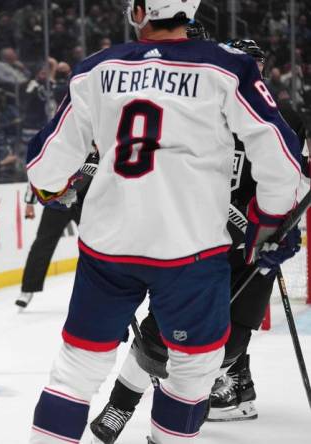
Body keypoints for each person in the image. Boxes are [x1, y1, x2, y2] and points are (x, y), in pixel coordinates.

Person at [24, 1, 304, 443]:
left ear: (138, 10)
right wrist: (269, 221)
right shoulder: (227, 67)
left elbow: (44, 168)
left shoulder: (95, 68)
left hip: (108, 250)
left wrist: (52, 189)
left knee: (77, 369)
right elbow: (280, 159)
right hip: (192, 251)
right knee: (193, 371)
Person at [16, 153, 97, 309]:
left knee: (97, 245)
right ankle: (27, 289)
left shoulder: (91, 137)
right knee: (42, 244)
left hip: (85, 202)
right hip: (57, 202)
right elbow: (37, 170)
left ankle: (101, 291)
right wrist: (30, 202)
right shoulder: (53, 139)